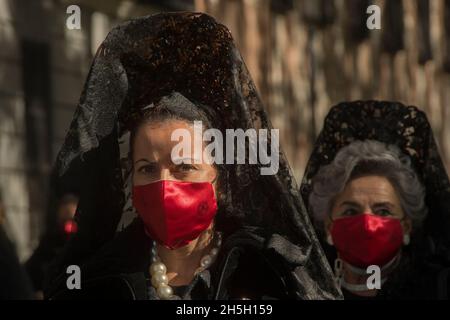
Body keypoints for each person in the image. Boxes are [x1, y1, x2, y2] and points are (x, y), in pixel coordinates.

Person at [44, 12, 341, 300]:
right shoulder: (98, 282)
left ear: (221, 176)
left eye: (184, 166)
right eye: (147, 168)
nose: (164, 185)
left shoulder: (270, 276)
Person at [300, 100, 450, 299]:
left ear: (406, 226)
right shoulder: (300, 289)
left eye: (383, 211)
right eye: (351, 211)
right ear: (328, 227)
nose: (368, 225)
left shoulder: (439, 289)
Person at [25, 193, 78, 299]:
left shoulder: (83, 245)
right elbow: (30, 270)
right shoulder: (49, 242)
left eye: (71, 222)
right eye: (64, 220)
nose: (68, 227)